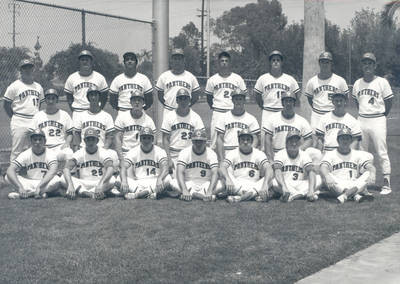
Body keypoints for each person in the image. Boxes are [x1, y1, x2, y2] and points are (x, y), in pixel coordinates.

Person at [352, 52, 393, 195]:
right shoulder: (357, 83)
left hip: (378, 119)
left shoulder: (382, 82)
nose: (367, 65)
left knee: (382, 151)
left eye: (370, 63)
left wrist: (382, 115)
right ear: (362, 66)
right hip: (362, 118)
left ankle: (386, 183)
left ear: (375, 66)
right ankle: (364, 183)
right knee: (362, 152)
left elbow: (389, 102)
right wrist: (365, 113)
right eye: (365, 63)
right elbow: (357, 102)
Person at [254, 50, 300, 150]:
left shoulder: (290, 79)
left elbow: (296, 95)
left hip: (282, 111)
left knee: (282, 138)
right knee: (265, 139)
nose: (275, 62)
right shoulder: (263, 78)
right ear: (270, 62)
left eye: (278, 60)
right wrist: (263, 106)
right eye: (273, 60)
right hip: (268, 111)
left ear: (282, 62)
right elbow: (257, 95)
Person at [3, 58, 44, 161]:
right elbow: (6, 104)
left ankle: (32, 171)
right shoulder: (14, 86)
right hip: (19, 119)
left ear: (33, 69)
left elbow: (40, 104)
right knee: (17, 150)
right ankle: (13, 173)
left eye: (29, 67)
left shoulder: (38, 87)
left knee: (35, 148)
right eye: (24, 68)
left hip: (34, 120)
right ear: (20, 70)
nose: (27, 70)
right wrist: (14, 116)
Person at [319, 128, 376, 204]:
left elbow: (370, 167)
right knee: (326, 175)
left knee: (368, 173)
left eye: (347, 139)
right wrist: (327, 176)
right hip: (338, 184)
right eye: (342, 139)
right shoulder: (330, 154)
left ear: (351, 141)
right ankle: (355, 196)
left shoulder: (357, 154)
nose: (345, 141)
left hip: (354, 183)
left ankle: (345, 196)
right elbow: (323, 167)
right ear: (338, 140)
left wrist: (372, 174)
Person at [205, 51, 247, 149]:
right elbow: (209, 97)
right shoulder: (212, 79)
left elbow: (243, 94)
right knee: (215, 141)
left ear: (230, 63)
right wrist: (215, 106)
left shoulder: (237, 78)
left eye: (226, 61)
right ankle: (215, 162)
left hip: (232, 111)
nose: (224, 63)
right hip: (218, 112)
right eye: (222, 61)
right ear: (218, 63)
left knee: (233, 140)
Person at [219, 129, 273, 203]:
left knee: (271, 178)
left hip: (254, 185)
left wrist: (265, 184)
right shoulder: (233, 153)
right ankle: (255, 196)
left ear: (252, 141)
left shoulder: (259, 153)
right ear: (239, 141)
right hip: (236, 185)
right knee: (225, 172)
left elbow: (268, 168)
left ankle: (239, 198)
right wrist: (228, 179)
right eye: (243, 139)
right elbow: (222, 166)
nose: (245, 142)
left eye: (248, 139)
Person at [6, 129, 62, 199]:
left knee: (58, 179)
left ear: (45, 141)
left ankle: (28, 194)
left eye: (40, 139)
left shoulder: (50, 153)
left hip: (45, 183)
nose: (37, 142)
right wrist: (20, 186)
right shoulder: (25, 154)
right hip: (30, 183)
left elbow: (53, 171)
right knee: (7, 177)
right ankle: (43, 193)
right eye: (35, 140)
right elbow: (10, 170)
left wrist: (40, 186)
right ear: (31, 142)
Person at [118, 127, 172, 200]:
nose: (146, 140)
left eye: (148, 138)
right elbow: (123, 167)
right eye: (144, 138)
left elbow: (166, 168)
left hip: (155, 181)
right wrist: (124, 181)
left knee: (168, 178)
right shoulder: (133, 151)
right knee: (119, 179)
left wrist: (160, 178)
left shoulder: (160, 151)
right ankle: (148, 193)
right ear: (140, 139)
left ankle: (138, 194)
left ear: (152, 139)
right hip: (139, 182)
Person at [170, 129, 223, 201]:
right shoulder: (184, 152)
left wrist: (210, 190)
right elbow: (180, 172)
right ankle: (205, 196)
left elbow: (215, 173)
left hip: (206, 183)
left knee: (222, 183)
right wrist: (184, 189)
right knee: (172, 182)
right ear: (192, 141)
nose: (198, 144)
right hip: (189, 183)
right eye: (196, 141)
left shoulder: (211, 153)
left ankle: (190, 195)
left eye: (201, 141)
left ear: (205, 142)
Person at [63, 128, 116, 200]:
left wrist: (100, 184)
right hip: (84, 182)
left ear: (97, 141)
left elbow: (110, 168)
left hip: (99, 182)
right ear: (84, 141)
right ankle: (90, 193)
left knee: (113, 179)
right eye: (88, 139)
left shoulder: (103, 152)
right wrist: (70, 185)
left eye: (93, 139)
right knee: (62, 178)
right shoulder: (80, 153)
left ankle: (84, 192)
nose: (90, 142)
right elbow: (66, 168)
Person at [161, 88, 204, 174]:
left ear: (189, 100)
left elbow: (201, 138)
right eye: (180, 98)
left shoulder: (196, 117)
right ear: (177, 100)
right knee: (173, 180)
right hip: (174, 154)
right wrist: (168, 159)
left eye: (185, 98)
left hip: (190, 154)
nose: (183, 101)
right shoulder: (169, 116)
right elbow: (165, 139)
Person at [263, 91, 313, 162]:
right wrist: (270, 158)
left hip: (294, 156)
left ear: (294, 103)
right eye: (286, 101)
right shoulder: (272, 118)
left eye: (291, 101)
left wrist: (299, 149)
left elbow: (309, 139)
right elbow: (267, 139)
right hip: (277, 154)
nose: (288, 103)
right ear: (282, 103)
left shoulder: (301, 121)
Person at [272, 130, 320, 203]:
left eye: (296, 141)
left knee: (319, 178)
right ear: (286, 143)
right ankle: (304, 194)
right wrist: (284, 187)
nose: (294, 144)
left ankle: (294, 195)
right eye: (291, 141)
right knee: (274, 181)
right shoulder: (280, 153)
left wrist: (310, 189)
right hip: (285, 183)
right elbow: (277, 171)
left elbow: (311, 171)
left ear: (300, 143)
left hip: (300, 184)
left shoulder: (304, 154)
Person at [305, 51, 349, 129]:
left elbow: (346, 98)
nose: (325, 64)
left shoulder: (340, 80)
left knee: (332, 139)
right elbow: (310, 98)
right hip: (317, 115)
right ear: (319, 63)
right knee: (316, 138)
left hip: (333, 114)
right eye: (322, 62)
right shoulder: (312, 81)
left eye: (327, 62)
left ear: (331, 63)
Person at [30, 88, 73, 166]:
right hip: (43, 147)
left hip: (59, 146)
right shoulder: (38, 115)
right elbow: (31, 133)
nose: (51, 101)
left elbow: (70, 133)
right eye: (48, 98)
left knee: (69, 153)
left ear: (57, 100)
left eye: (53, 98)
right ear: (45, 100)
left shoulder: (64, 115)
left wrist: (67, 142)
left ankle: (68, 176)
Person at [215, 88, 260, 162]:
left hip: (245, 153)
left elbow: (255, 138)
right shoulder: (223, 117)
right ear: (232, 100)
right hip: (228, 152)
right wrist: (221, 159)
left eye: (240, 99)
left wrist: (249, 152)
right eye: (236, 99)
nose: (238, 101)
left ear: (244, 100)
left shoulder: (251, 119)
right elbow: (219, 139)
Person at [156, 48, 200, 117]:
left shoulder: (191, 77)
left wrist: (187, 105)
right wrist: (168, 104)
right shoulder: (164, 76)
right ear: (171, 61)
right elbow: (160, 96)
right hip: (169, 111)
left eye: (179, 59)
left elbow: (195, 96)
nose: (177, 61)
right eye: (175, 59)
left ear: (184, 60)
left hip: (185, 111)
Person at [64, 50, 108, 118]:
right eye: (82, 60)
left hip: (95, 111)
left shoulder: (99, 77)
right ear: (79, 62)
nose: (85, 62)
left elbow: (104, 95)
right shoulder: (72, 77)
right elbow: (69, 96)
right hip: (78, 111)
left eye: (87, 60)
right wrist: (73, 109)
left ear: (91, 62)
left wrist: (100, 108)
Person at [114, 90, 156, 162]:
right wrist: (121, 158)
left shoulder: (148, 120)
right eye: (134, 100)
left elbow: (154, 139)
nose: (137, 102)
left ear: (143, 103)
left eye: (139, 100)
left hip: (141, 154)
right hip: (126, 153)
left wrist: (147, 153)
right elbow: (117, 138)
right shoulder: (122, 117)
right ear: (130, 102)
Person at [73, 86, 114, 151]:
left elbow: (110, 136)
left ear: (99, 97)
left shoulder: (107, 116)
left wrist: (105, 148)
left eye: (95, 95)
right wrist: (77, 148)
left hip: (101, 149)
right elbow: (76, 134)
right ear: (88, 98)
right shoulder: (81, 116)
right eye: (91, 95)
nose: (93, 97)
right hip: (84, 149)